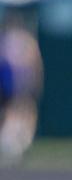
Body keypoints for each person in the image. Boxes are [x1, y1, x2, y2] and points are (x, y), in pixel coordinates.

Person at [0, 12, 43, 163]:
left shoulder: (5, 39)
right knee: (22, 112)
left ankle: (14, 144)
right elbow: (35, 62)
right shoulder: (26, 40)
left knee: (15, 112)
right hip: (20, 82)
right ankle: (14, 144)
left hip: (12, 83)